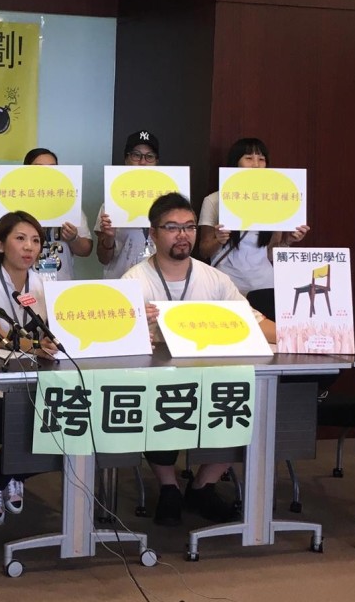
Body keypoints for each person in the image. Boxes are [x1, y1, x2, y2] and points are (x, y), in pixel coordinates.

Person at [122, 192, 276, 526]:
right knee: (161, 404)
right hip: (157, 381)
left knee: (242, 402)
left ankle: (203, 486)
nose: (183, 235)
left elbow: (254, 321)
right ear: (153, 233)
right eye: (173, 227)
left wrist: (304, 333)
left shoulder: (215, 279)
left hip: (212, 377)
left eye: (190, 227)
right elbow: (118, 337)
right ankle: (168, 487)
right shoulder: (134, 280)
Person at [0, 211, 58, 525]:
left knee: (65, 422)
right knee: (25, 421)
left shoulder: (48, 284)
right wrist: (37, 346)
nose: (29, 247)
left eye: (35, 240)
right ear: (0, 244)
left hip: (43, 379)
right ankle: (10, 475)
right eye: (20, 238)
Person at [198, 138, 310, 319]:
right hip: (228, 284)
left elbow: (270, 254)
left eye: (261, 159)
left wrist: (289, 241)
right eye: (249, 158)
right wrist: (218, 239)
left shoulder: (274, 200)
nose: (256, 165)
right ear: (235, 163)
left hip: (264, 285)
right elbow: (203, 251)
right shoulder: (214, 200)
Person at [94, 130, 163, 278]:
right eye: (136, 155)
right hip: (121, 283)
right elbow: (103, 258)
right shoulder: (110, 204)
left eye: (149, 156)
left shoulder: (168, 205)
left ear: (157, 162)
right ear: (126, 160)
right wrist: (109, 238)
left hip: (160, 283)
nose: (142, 162)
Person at [21, 148, 92, 280]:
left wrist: (73, 238)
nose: (47, 174)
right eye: (39, 169)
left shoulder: (69, 205)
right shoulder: (15, 206)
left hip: (60, 284)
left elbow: (86, 250)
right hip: (23, 285)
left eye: (52, 169)